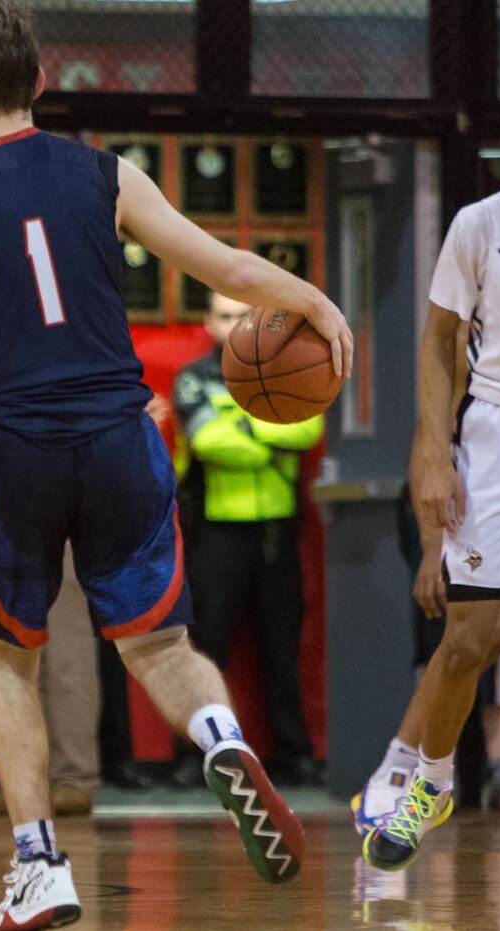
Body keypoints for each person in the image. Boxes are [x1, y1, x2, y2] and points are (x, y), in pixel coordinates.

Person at [0, 3, 352, 927]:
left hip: (13, 448)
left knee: (7, 661)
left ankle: (40, 866)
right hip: (118, 435)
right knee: (158, 645)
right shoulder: (107, 172)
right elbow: (226, 269)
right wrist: (315, 301)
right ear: (39, 81)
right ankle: (219, 736)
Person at [358, 91, 500, 872]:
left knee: (496, 633)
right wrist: (435, 450)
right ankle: (430, 783)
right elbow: (438, 344)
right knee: (468, 637)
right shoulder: (481, 225)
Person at [170, 293, 323, 788]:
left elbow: (306, 431)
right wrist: (268, 430)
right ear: (208, 323)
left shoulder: (289, 370)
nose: (234, 324)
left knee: (283, 651)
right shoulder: (194, 376)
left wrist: (244, 422)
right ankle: (193, 758)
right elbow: (209, 441)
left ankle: (294, 753)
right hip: (217, 532)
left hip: (277, 533)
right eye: (224, 315)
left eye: (243, 316)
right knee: (205, 647)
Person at [0, 547, 102, 818]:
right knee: (9, 654)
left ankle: (73, 778)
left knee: (65, 653)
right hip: (5, 532)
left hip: (57, 530)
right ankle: (21, 783)